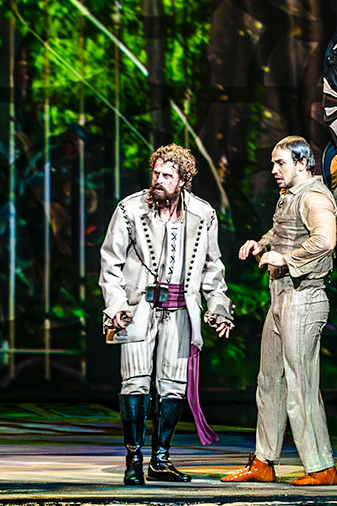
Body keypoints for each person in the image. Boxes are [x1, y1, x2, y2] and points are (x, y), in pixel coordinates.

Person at [100, 143, 233, 484]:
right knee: (135, 383)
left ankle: (160, 460)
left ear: (184, 180)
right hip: (137, 308)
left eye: (167, 175)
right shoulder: (130, 209)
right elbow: (110, 262)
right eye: (156, 173)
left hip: (179, 311)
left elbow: (211, 268)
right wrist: (115, 306)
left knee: (173, 387)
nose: (158, 180)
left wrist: (218, 308)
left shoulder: (203, 215)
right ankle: (134, 459)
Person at [222, 136, 337, 486]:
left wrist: (286, 259)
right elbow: (281, 230)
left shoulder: (315, 196)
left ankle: (322, 467)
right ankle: (263, 460)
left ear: (302, 164)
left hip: (304, 298)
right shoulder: (289, 196)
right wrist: (261, 244)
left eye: (281, 163)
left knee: (301, 384)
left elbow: (325, 239)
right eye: (273, 163)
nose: (274, 170)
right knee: (269, 381)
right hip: (282, 297)